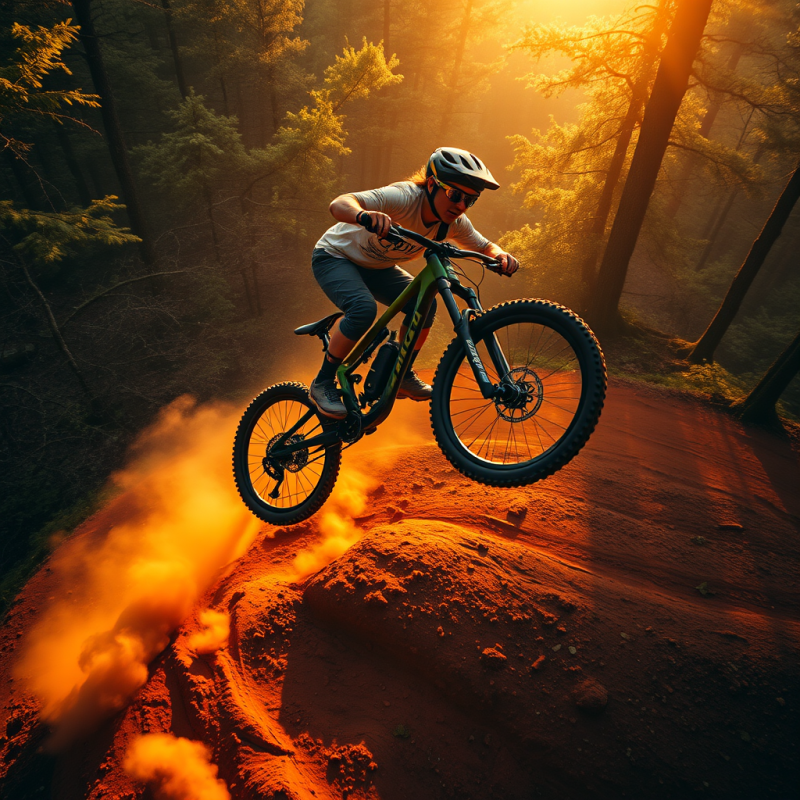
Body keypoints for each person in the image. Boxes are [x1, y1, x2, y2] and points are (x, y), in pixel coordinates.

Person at [309, 146, 520, 419]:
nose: (460, 206)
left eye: (470, 200)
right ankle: (323, 382)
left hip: (378, 268)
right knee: (363, 309)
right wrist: (364, 215)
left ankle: (402, 374)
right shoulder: (402, 197)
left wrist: (500, 255)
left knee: (425, 305)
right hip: (335, 256)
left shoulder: (453, 222)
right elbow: (339, 203)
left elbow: (483, 245)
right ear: (432, 184)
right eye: (455, 195)